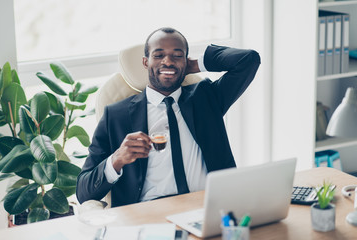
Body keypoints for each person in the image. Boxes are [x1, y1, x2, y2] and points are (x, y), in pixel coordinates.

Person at [76, 27, 260, 207]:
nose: (168, 61)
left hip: (208, 208)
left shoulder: (207, 98)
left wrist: (194, 65)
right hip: (148, 215)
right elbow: (83, 192)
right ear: (145, 62)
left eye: (177, 55)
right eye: (158, 55)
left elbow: (248, 60)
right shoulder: (115, 115)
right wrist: (117, 159)